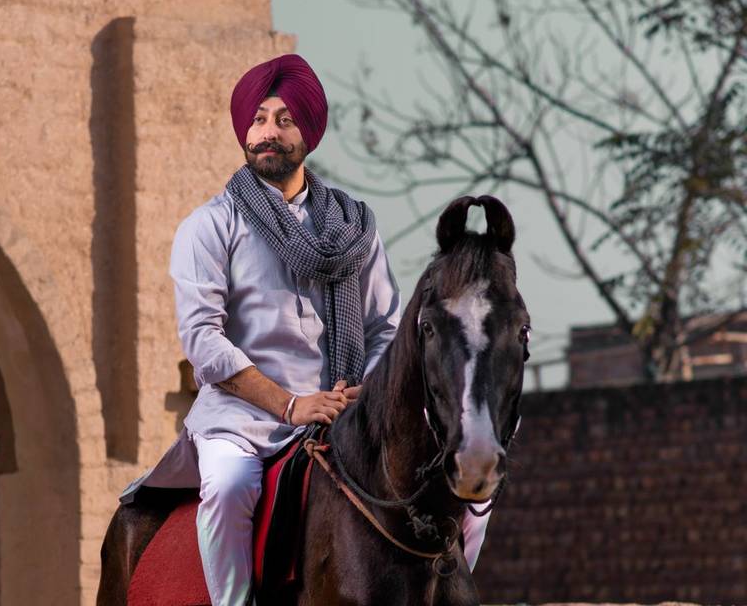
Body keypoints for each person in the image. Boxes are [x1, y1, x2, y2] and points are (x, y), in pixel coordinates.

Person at [120, 54, 490, 605]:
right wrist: (292, 405)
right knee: (228, 487)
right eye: (260, 119)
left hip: (347, 413)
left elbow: (386, 329)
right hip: (242, 419)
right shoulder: (210, 226)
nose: (270, 132)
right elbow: (204, 341)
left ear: (308, 132)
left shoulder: (355, 225)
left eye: (285, 119)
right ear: (244, 130)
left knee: (470, 496)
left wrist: (362, 391)